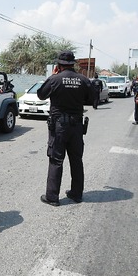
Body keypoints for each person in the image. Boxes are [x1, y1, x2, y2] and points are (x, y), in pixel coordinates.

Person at [37, 51, 93, 206]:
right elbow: (91, 98)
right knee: (76, 160)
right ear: (73, 64)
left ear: (58, 65)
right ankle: (76, 194)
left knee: (56, 160)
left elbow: (41, 95)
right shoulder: (83, 80)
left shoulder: (55, 79)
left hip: (59, 126)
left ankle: (52, 197)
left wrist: (53, 77)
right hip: (76, 126)